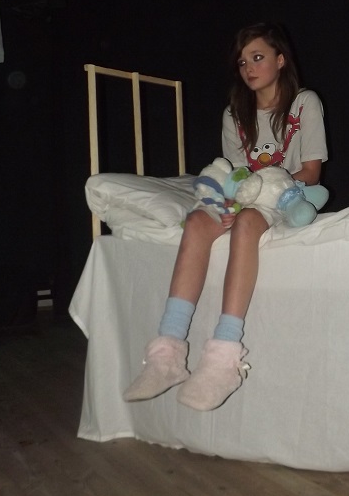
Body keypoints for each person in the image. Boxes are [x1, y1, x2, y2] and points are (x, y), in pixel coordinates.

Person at [123, 22, 328, 410]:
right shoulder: (235, 113)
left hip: (286, 192)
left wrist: (259, 190)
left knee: (248, 223)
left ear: (280, 60)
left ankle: (223, 357)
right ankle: (167, 352)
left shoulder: (304, 103)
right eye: (242, 62)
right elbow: (235, 175)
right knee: (197, 222)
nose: (249, 68)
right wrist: (230, 201)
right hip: (247, 194)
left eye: (258, 57)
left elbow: (312, 173)